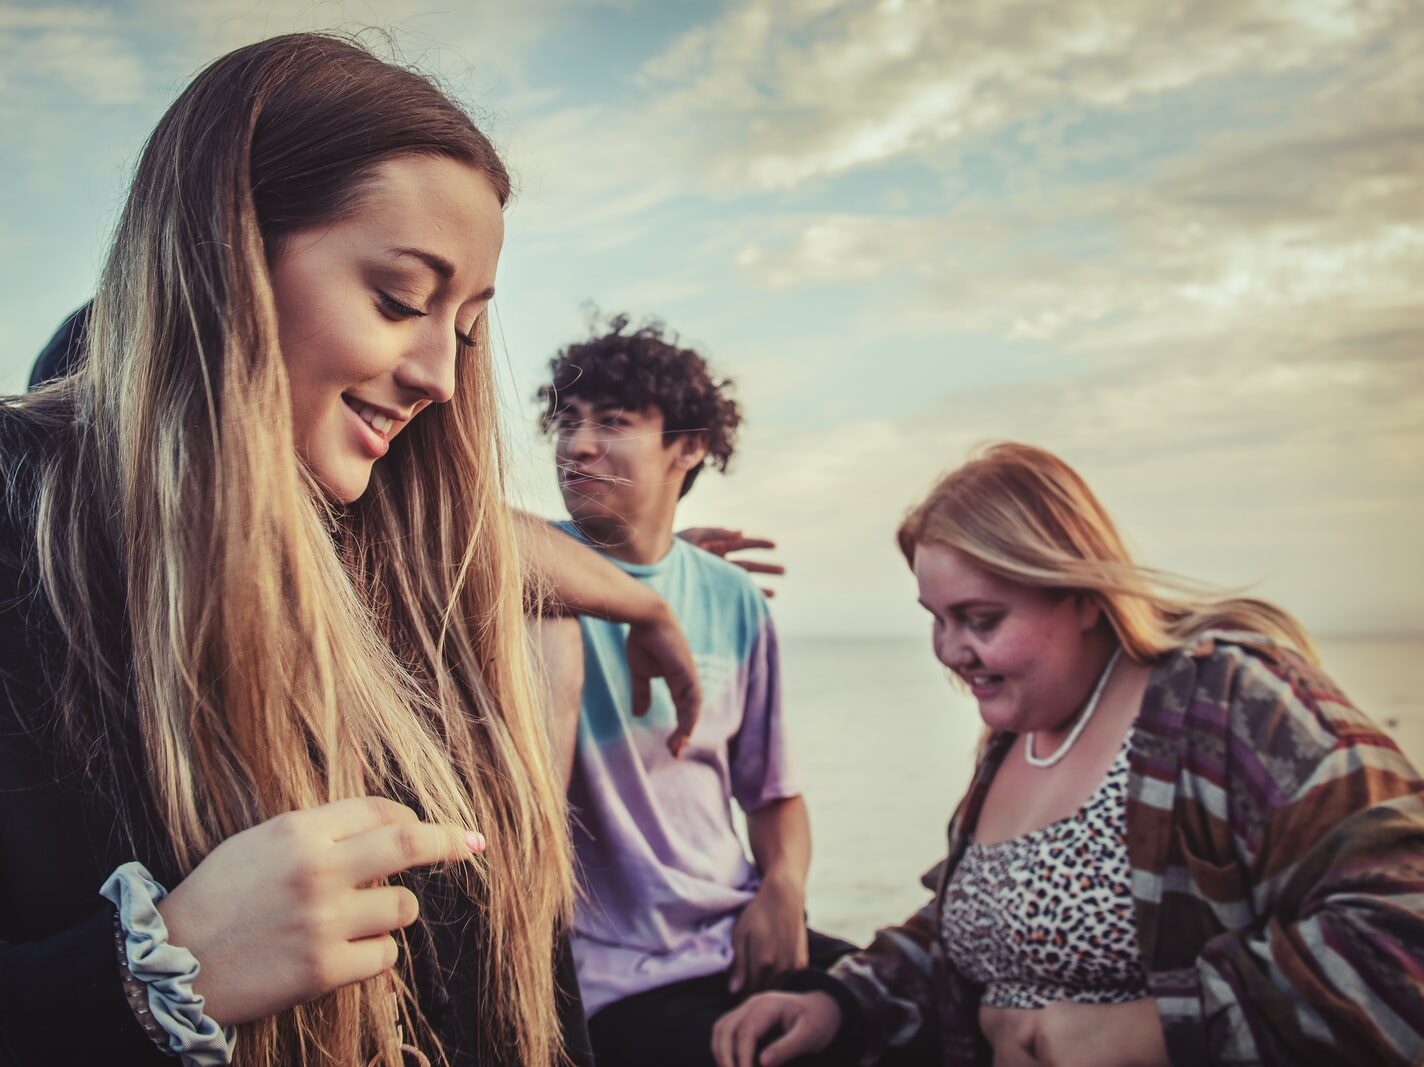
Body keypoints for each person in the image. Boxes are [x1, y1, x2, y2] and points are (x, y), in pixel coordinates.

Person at [0, 34, 704, 1067]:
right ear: (220, 251)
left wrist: (644, 600)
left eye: (463, 328)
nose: (441, 377)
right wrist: (150, 971)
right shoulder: (29, 531)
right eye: (397, 299)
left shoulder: (428, 595)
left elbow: (531, 1000)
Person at [712, 442, 1424, 1067]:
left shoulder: (1225, 698)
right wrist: (841, 1004)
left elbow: (1403, 930)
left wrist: (1148, 1031)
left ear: (1083, 595)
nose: (953, 651)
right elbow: (974, 933)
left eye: (981, 619)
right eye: (937, 619)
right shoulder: (1017, 735)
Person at [532, 318, 855, 1067]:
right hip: (611, 970)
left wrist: (782, 887)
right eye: (568, 421)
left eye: (612, 422)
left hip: (736, 933)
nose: (577, 445)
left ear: (689, 446)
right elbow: (465, 527)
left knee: (916, 1012)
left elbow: (772, 790)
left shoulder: (733, 600)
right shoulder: (525, 577)